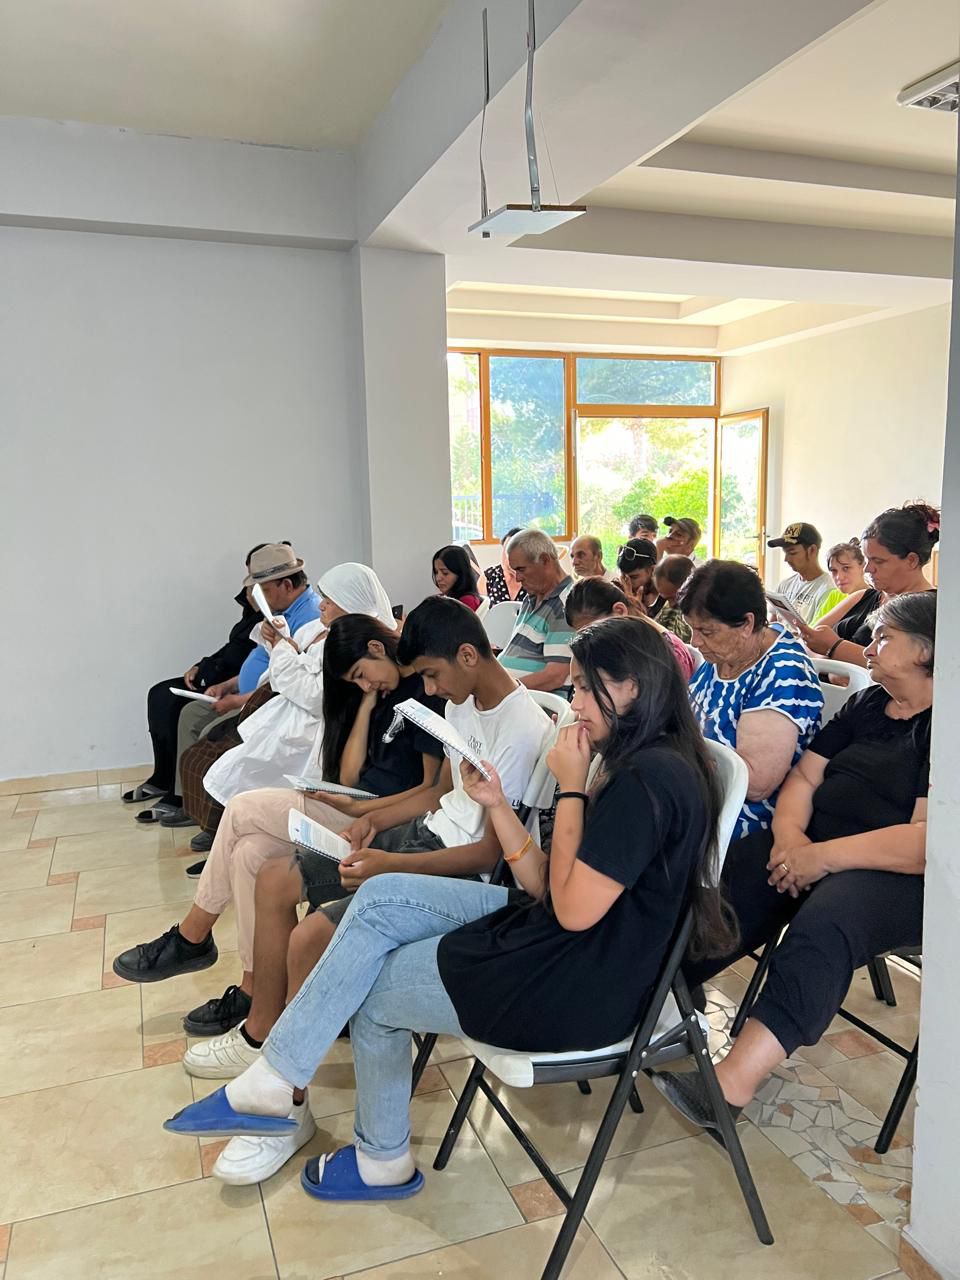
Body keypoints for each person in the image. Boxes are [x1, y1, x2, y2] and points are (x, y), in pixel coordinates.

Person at [163, 617, 737, 1206]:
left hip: (584, 981)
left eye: (588, 689)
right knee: (380, 900)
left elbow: (569, 911)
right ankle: (277, 1079)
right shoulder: (640, 758)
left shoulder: (647, 781)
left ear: (633, 687)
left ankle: (373, 1153)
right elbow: (542, 883)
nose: (576, 703)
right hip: (566, 937)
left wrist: (569, 789)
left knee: (374, 989)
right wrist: (498, 804)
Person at [655, 593, 933, 1130]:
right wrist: (787, 839)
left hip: (897, 873)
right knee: (739, 873)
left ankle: (731, 1086)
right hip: (815, 846)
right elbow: (805, 777)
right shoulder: (871, 703)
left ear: (928, 652)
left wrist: (820, 858)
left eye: (885, 638)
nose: (868, 647)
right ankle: (656, 999)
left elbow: (921, 844)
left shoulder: (945, 729)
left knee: (828, 921)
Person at [111, 608, 448, 1015]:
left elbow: (430, 792)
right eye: (355, 680)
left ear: (377, 647)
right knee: (250, 853)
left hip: (378, 819)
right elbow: (348, 773)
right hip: (351, 804)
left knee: (240, 810)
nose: (364, 682)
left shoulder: (422, 692)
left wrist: (366, 811)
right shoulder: (381, 693)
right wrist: (364, 703)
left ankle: (192, 937)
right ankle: (258, 989)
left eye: (362, 673)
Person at [680, 561, 823, 841]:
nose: (695, 642)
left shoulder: (784, 673)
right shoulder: (723, 653)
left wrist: (678, 758)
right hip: (701, 790)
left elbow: (754, 782)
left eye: (706, 631)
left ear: (747, 623)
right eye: (692, 629)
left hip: (744, 815)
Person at [123, 544, 266, 807]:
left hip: (237, 687)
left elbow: (253, 661)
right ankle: (164, 777)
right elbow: (232, 646)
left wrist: (225, 682)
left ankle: (182, 796)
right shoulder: (253, 609)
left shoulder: (274, 614)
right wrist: (202, 665)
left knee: (181, 708)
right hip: (222, 678)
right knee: (160, 694)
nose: (251, 587)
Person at [800, 502, 939, 668]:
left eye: (878, 562)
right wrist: (831, 664)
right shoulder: (864, 596)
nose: (867, 569)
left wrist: (834, 648)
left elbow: (901, 668)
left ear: (911, 560)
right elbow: (810, 638)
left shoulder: (929, 611)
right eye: (867, 559)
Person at [564, 577, 696, 682]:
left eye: (593, 632)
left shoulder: (668, 656)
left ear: (619, 611)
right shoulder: (630, 647)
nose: (590, 643)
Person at [499, 529, 576, 693]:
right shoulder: (532, 596)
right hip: (515, 696)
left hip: (538, 703)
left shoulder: (567, 603)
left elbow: (555, 677)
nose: (518, 578)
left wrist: (502, 689)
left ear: (545, 560)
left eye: (521, 569)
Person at [767, 523, 834, 623]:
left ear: (812, 550)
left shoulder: (828, 589)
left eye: (792, 553)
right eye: (785, 553)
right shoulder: (784, 585)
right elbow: (773, 623)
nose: (786, 559)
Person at [649, 555, 694, 642]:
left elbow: (677, 644)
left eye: (673, 598)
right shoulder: (670, 599)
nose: (670, 604)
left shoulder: (692, 611)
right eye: (663, 596)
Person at [432, 545, 482, 611]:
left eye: (445, 573)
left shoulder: (467, 602)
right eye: (436, 572)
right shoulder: (443, 598)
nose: (438, 578)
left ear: (460, 573)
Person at [483, 527, 526, 605]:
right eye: (506, 550)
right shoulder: (488, 577)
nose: (508, 557)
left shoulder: (536, 579)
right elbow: (478, 614)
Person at [615, 538, 659, 611]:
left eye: (633, 577)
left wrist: (634, 609)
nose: (627, 584)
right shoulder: (616, 592)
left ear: (652, 570)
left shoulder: (667, 596)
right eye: (624, 577)